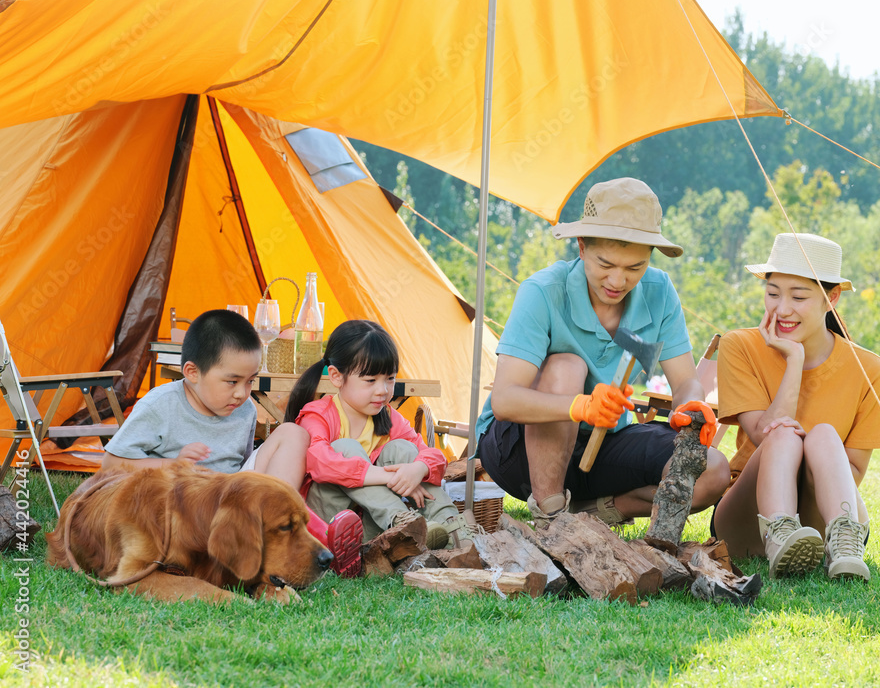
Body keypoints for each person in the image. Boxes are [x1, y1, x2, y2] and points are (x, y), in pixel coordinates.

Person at [476, 177, 730, 527]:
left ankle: (593, 514)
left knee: (712, 470)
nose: (617, 281)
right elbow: (505, 401)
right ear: (581, 246)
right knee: (567, 366)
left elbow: (685, 381)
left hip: (603, 446)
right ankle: (550, 517)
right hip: (517, 452)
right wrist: (580, 407)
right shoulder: (543, 291)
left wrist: (692, 406)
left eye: (634, 268)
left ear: (650, 258)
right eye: (605, 264)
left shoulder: (660, 293)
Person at [102, 309, 363, 577]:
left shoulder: (245, 409)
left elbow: (246, 467)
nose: (241, 393)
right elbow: (110, 464)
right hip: (188, 508)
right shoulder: (159, 405)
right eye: (232, 381)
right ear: (192, 372)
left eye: (250, 381)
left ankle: (293, 530)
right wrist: (172, 465)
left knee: (293, 432)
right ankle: (316, 534)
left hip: (235, 495)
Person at [713, 233, 880, 581]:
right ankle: (780, 535)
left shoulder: (871, 371)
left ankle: (844, 545)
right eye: (772, 294)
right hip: (749, 517)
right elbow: (762, 434)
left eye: (798, 297)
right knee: (781, 434)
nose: (781, 309)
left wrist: (812, 444)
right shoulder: (739, 346)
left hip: (827, 515)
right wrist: (793, 360)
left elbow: (854, 469)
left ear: (832, 298)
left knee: (824, 435)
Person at [288, 319, 476, 550]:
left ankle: (454, 531)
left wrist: (417, 470)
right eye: (370, 380)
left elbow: (435, 457)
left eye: (390, 378)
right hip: (328, 527)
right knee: (345, 448)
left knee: (404, 451)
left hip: (370, 527)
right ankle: (406, 525)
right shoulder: (318, 415)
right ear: (336, 376)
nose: (383, 390)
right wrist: (389, 477)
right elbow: (321, 463)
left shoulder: (388, 417)